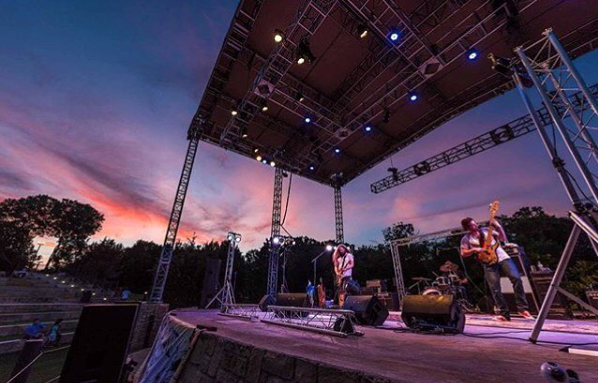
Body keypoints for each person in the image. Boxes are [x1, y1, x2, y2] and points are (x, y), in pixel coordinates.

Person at [460, 217, 533, 321]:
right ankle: (504, 314)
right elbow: (463, 253)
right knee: (495, 288)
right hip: (488, 262)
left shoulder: (486, 230)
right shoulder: (466, 239)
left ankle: (522, 309)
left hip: (502, 257)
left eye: (474, 223)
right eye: (471, 225)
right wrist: (475, 249)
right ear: (467, 228)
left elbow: (502, 239)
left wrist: (498, 226)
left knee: (516, 278)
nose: (475, 226)